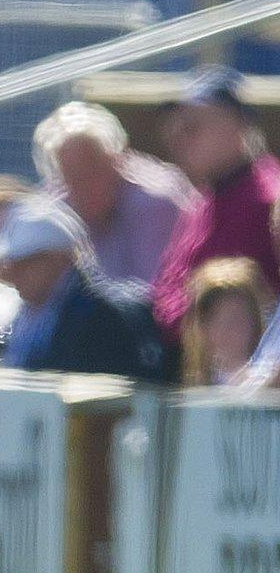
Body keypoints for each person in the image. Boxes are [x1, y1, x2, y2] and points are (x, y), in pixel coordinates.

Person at [155, 66, 280, 337]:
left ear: (238, 128)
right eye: (177, 127)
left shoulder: (267, 201)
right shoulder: (204, 199)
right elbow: (168, 284)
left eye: (193, 127)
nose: (178, 137)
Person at [0, 196, 169, 382]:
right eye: (11, 264)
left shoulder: (103, 317)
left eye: (26, 263)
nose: (14, 274)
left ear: (59, 259)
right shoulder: (25, 314)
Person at [31, 100, 190, 286]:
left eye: (93, 169)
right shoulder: (57, 213)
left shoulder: (153, 203)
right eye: (72, 178)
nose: (85, 186)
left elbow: (152, 297)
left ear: (116, 160)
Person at [178, 257, 273, 387]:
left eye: (236, 318)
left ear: (255, 321)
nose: (226, 329)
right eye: (215, 319)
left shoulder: (269, 380)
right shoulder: (195, 384)